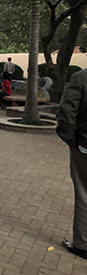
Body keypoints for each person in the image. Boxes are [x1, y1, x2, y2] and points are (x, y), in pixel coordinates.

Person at [56, 68, 87, 260]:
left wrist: (71, 141)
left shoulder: (81, 78)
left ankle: (82, 243)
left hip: (84, 146)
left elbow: (66, 112)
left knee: (84, 193)